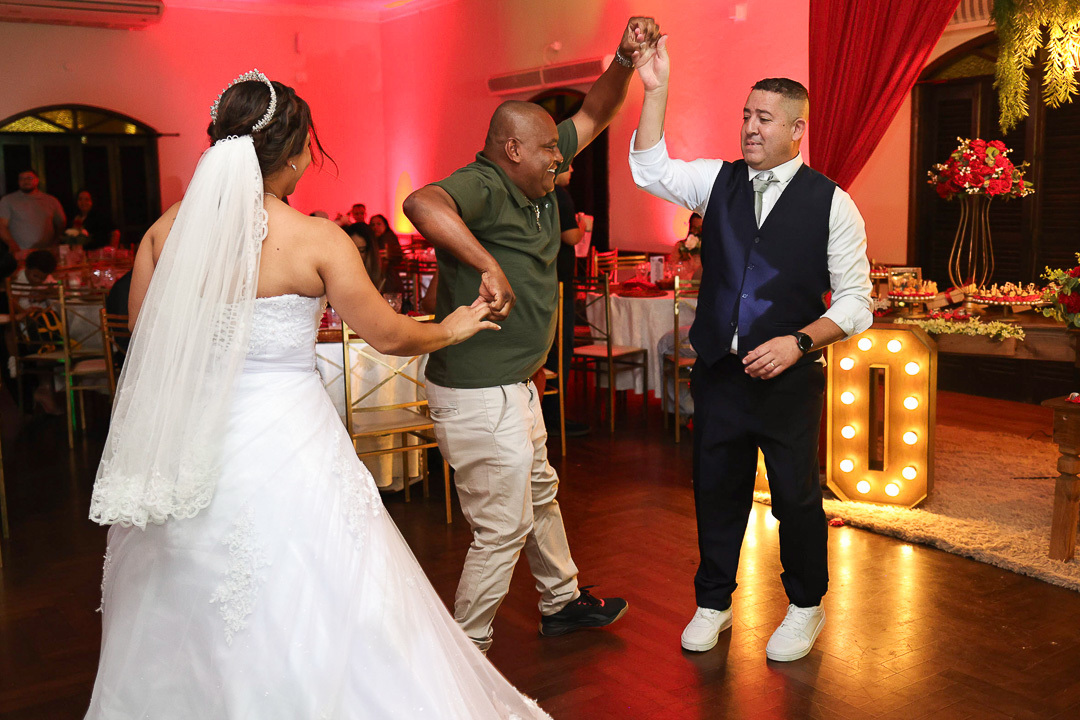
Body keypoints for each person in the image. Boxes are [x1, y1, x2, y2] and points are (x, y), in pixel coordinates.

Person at [84, 70, 551, 719]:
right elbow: (388, 336)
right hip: (289, 444)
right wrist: (452, 328)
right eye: (309, 146)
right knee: (319, 589)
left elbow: (145, 339)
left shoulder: (165, 233)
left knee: (191, 595)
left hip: (190, 448)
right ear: (294, 153)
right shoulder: (315, 238)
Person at [403, 16, 661, 654]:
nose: (560, 158)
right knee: (501, 527)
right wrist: (486, 263)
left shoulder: (539, 176)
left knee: (540, 493)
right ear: (513, 149)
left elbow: (596, 112)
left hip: (514, 383)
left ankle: (561, 602)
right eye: (549, 149)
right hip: (476, 390)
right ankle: (466, 652)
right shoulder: (485, 185)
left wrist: (625, 59)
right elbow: (421, 203)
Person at [629, 38, 872, 662]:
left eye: (764, 118)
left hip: (789, 381)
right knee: (716, 490)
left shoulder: (832, 203)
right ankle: (714, 602)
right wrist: (655, 88)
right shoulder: (718, 181)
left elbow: (856, 302)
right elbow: (650, 170)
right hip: (719, 374)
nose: (750, 128)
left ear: (797, 130)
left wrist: (799, 342)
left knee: (795, 496)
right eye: (745, 115)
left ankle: (806, 605)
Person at [543, 165, 590, 437]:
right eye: (569, 164)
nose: (572, 169)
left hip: (543, 283)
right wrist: (582, 226)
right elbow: (570, 236)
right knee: (561, 349)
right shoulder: (559, 194)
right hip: (560, 286)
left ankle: (545, 413)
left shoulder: (537, 193)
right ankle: (555, 416)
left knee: (548, 349)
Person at [0, 169, 65, 254]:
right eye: (22, 179)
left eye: (29, 178)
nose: (25, 181)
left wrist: (56, 242)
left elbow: (61, 223)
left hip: (47, 252)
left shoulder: (51, 200)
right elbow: (2, 225)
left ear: (37, 180)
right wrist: (11, 244)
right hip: (22, 252)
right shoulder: (8, 200)